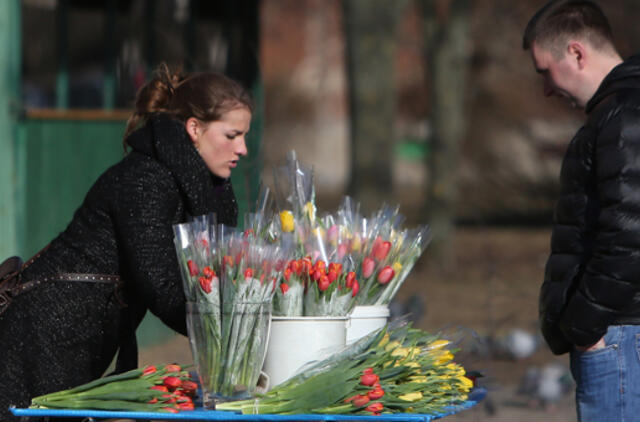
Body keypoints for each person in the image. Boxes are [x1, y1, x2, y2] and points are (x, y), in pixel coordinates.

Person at [0, 64, 252, 421]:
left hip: (78, 336)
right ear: (194, 129)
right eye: (232, 135)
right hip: (45, 333)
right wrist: (242, 326)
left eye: (245, 136)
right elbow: (161, 286)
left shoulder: (198, 186)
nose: (242, 148)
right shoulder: (145, 179)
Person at [523, 1, 640, 420]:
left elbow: (629, 235)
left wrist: (585, 327)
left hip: (621, 333)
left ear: (576, 53)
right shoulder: (618, 113)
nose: (546, 89)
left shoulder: (625, 116)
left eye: (544, 72)